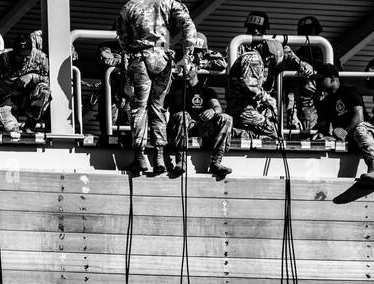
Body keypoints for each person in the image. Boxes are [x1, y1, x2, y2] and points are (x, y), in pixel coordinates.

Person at [115, 0, 198, 175]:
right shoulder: (169, 3)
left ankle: (140, 157)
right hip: (163, 57)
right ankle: (159, 157)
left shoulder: (130, 6)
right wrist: (187, 57)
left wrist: (129, 52)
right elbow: (189, 27)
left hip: (140, 57)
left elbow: (122, 36)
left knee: (139, 107)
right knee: (158, 107)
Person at [227, 11, 313, 140]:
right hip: (245, 103)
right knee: (273, 133)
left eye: (259, 28)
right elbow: (245, 82)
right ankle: (234, 133)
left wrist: (303, 65)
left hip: (263, 103)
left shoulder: (273, 46)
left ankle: (239, 133)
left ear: (264, 30)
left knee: (273, 132)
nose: (255, 31)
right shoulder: (239, 47)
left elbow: (296, 61)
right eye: (252, 28)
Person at [166, 33, 235, 176]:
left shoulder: (206, 90)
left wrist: (212, 111)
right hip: (180, 128)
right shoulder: (174, 89)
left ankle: (216, 162)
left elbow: (217, 107)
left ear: (197, 68)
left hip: (201, 126)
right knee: (182, 115)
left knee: (226, 118)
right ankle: (181, 161)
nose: (186, 69)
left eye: (190, 66)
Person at [315, 63, 374, 188]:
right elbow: (323, 127)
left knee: (361, 129)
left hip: (364, 131)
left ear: (333, 78)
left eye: (320, 79)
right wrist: (321, 135)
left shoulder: (349, 91)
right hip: (344, 137)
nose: (317, 82)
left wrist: (344, 132)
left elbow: (359, 117)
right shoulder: (325, 103)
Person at [0, 30, 50, 135]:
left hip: (28, 101)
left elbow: (51, 80)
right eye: (21, 56)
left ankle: (30, 126)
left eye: (27, 55)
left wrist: (31, 76)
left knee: (44, 90)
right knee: (12, 132)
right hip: (7, 102)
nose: (25, 59)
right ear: (14, 52)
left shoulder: (41, 58)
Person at [287, 15, 337, 135]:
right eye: (304, 31)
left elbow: (338, 79)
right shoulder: (294, 57)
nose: (307, 34)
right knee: (307, 137)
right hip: (306, 107)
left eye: (310, 31)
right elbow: (289, 88)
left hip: (326, 102)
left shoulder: (327, 52)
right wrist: (291, 112)